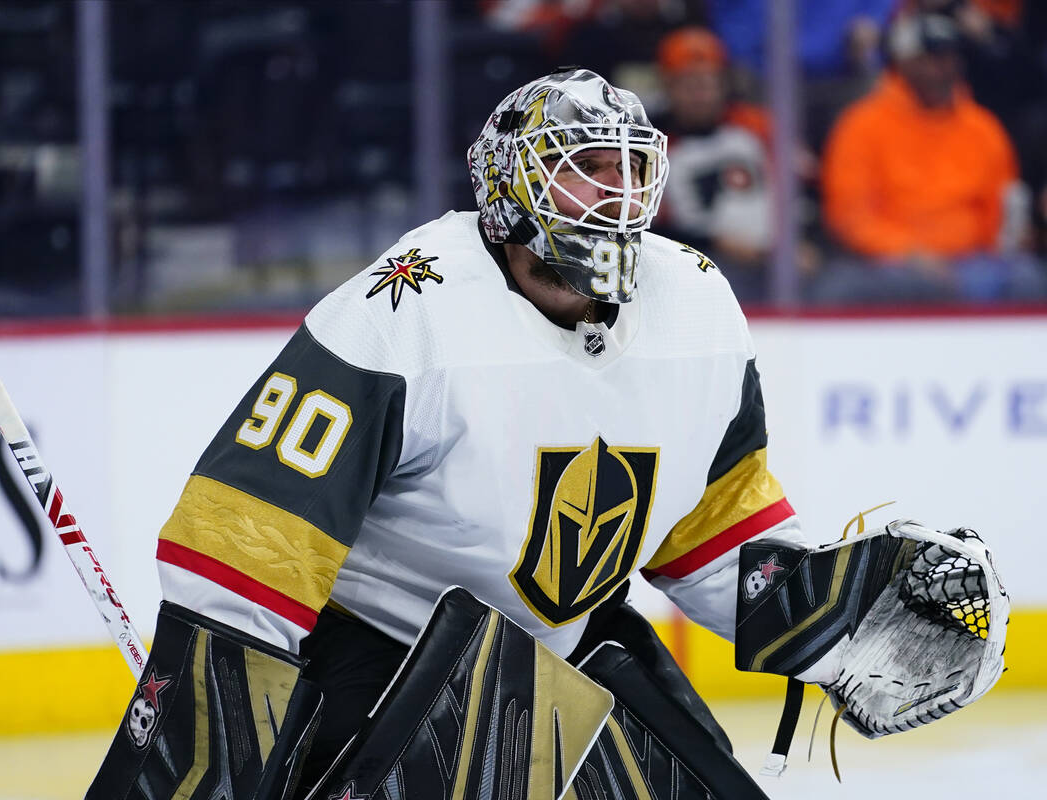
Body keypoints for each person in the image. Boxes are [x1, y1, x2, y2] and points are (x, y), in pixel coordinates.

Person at [85, 67, 1005, 799]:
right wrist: (208, 759)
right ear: (508, 184)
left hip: (567, 648)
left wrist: (837, 621)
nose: (615, 191)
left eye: (630, 165)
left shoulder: (698, 305)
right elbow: (245, 545)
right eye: (583, 165)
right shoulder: (405, 308)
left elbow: (713, 534)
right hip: (376, 661)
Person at [814, 12, 1047, 303]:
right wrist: (908, 252)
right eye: (930, 59)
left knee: (1027, 278)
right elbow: (849, 217)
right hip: (893, 264)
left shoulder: (982, 128)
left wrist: (1009, 241)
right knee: (852, 286)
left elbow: (1000, 210)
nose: (942, 69)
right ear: (904, 64)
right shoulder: (862, 125)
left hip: (973, 264)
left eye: (950, 59)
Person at [647, 26, 778, 302]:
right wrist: (714, 242)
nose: (700, 95)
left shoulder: (758, 126)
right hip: (700, 264)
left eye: (708, 83)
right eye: (688, 84)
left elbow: (798, 188)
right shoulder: (652, 147)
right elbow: (651, 230)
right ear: (668, 87)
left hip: (778, 258)